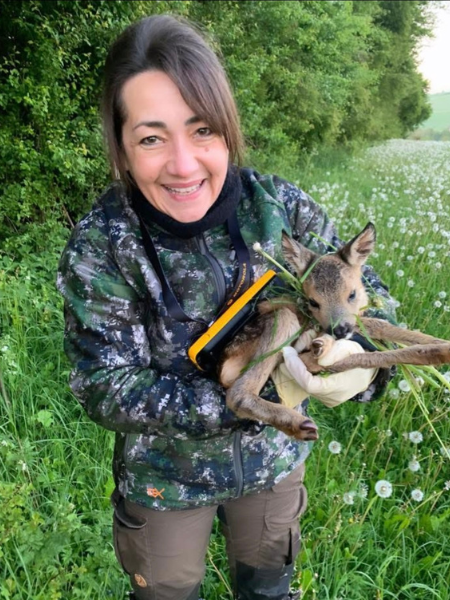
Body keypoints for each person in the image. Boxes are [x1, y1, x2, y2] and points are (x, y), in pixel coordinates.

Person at [57, 14, 396, 600]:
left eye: (203, 130)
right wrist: (250, 400)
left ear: (229, 129)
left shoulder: (280, 209)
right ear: (121, 145)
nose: (184, 165)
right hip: (164, 480)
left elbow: (364, 294)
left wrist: (358, 362)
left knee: (269, 588)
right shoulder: (102, 246)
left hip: (272, 465)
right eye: (151, 137)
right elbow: (101, 384)